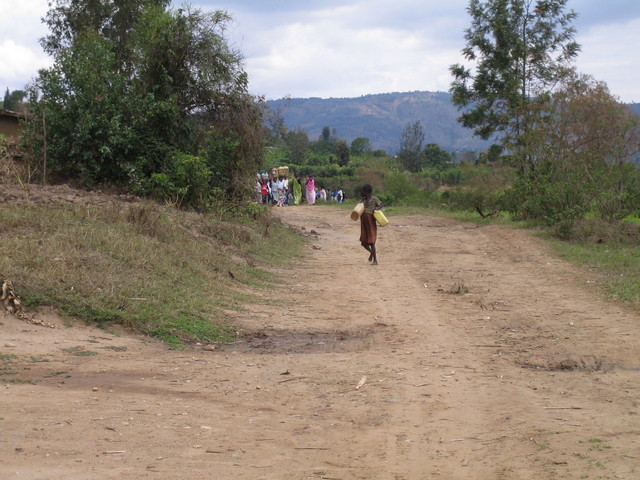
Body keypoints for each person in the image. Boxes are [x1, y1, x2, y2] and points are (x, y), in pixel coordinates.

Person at [359, 184, 383, 265]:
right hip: (364, 221)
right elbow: (358, 208)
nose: (361, 192)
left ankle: (375, 260)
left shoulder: (374, 199)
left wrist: (376, 208)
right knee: (364, 242)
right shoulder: (363, 200)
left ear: (366, 192)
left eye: (362, 191)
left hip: (371, 222)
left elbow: (381, 204)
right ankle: (372, 253)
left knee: (372, 241)